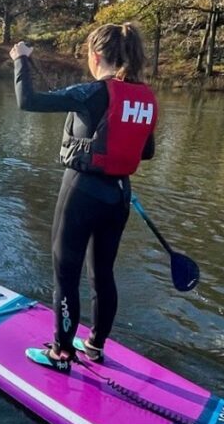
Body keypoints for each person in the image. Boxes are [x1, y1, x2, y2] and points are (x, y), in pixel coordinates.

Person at [10, 25, 157, 373]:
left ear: (96, 56)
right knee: (103, 274)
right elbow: (146, 151)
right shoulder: (147, 97)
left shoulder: (92, 91)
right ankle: (94, 346)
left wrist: (21, 60)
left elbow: (27, 101)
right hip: (119, 195)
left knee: (66, 274)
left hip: (82, 190)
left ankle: (60, 353)